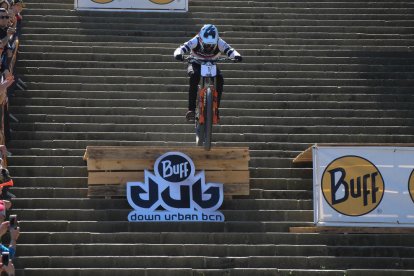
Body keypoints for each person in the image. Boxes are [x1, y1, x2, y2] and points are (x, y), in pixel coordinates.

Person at [174, 24, 242, 122]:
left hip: (211, 64)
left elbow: (230, 51)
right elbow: (182, 48)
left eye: (211, 45)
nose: (209, 47)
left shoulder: (220, 42)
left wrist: (236, 56)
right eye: (206, 45)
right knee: (194, 76)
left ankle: (216, 109)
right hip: (195, 62)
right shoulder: (195, 40)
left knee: (220, 79)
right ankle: (191, 109)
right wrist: (178, 54)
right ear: (201, 40)